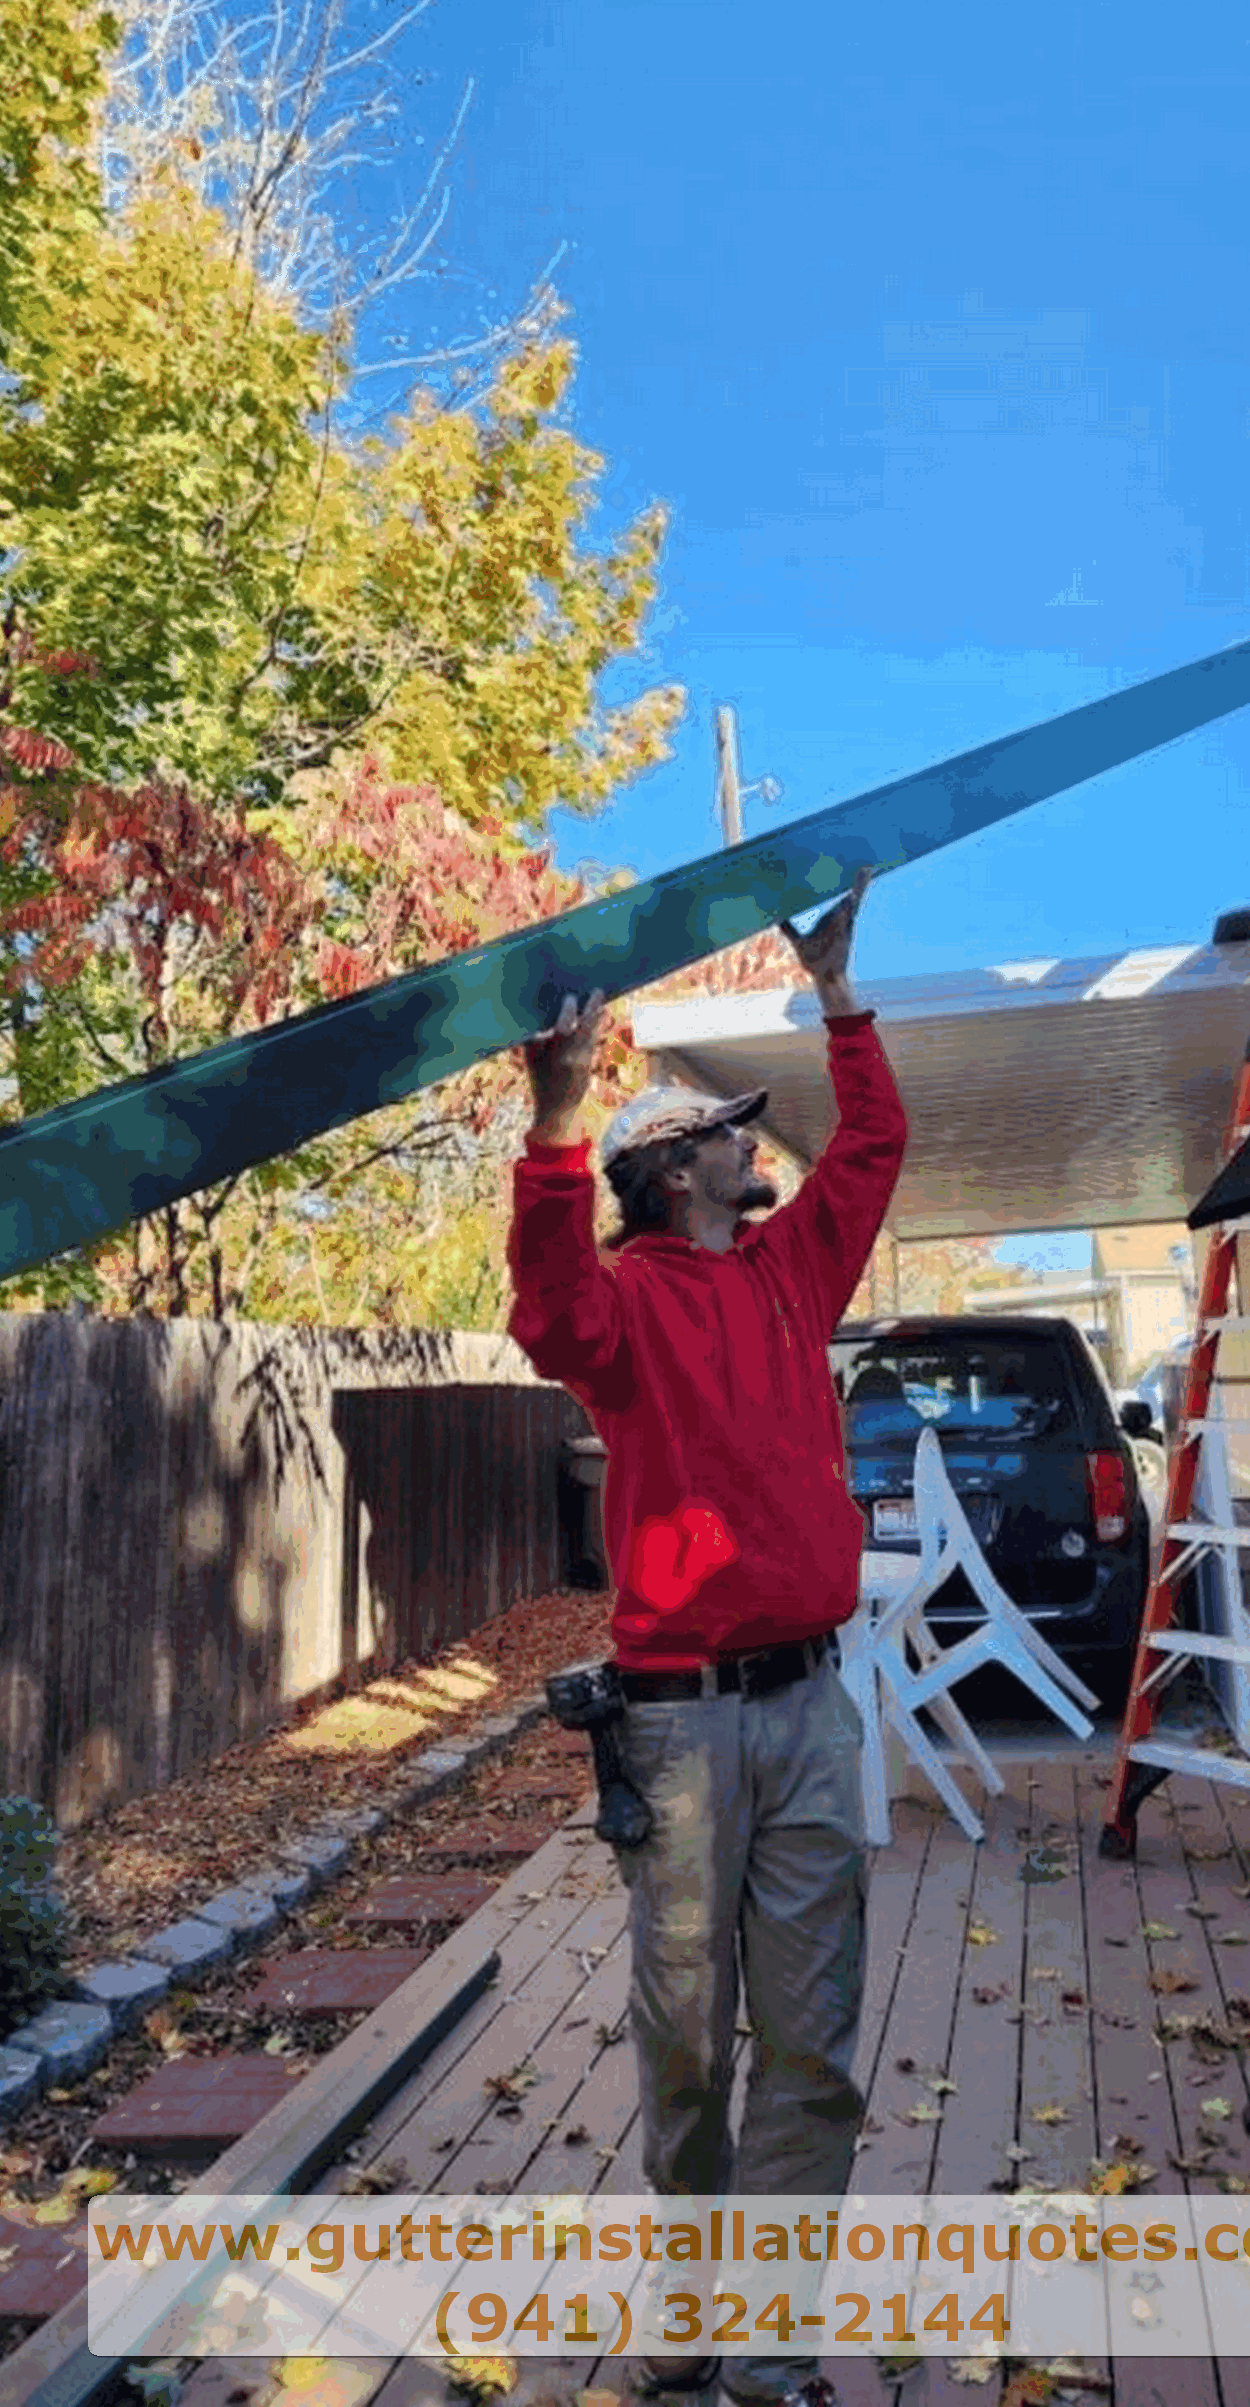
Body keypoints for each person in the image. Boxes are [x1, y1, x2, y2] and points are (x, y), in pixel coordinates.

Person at [507, 877, 907, 2407]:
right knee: (687, 2034)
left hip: (810, 1713)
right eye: (735, 1130)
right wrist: (553, 1129)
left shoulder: (789, 1278)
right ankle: (692, 2304)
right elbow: (544, 1301)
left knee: (812, 2039)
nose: (760, 1142)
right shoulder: (617, 1311)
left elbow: (871, 1151)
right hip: (677, 1731)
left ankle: (769, 2341)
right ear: (677, 1168)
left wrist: (843, 994)